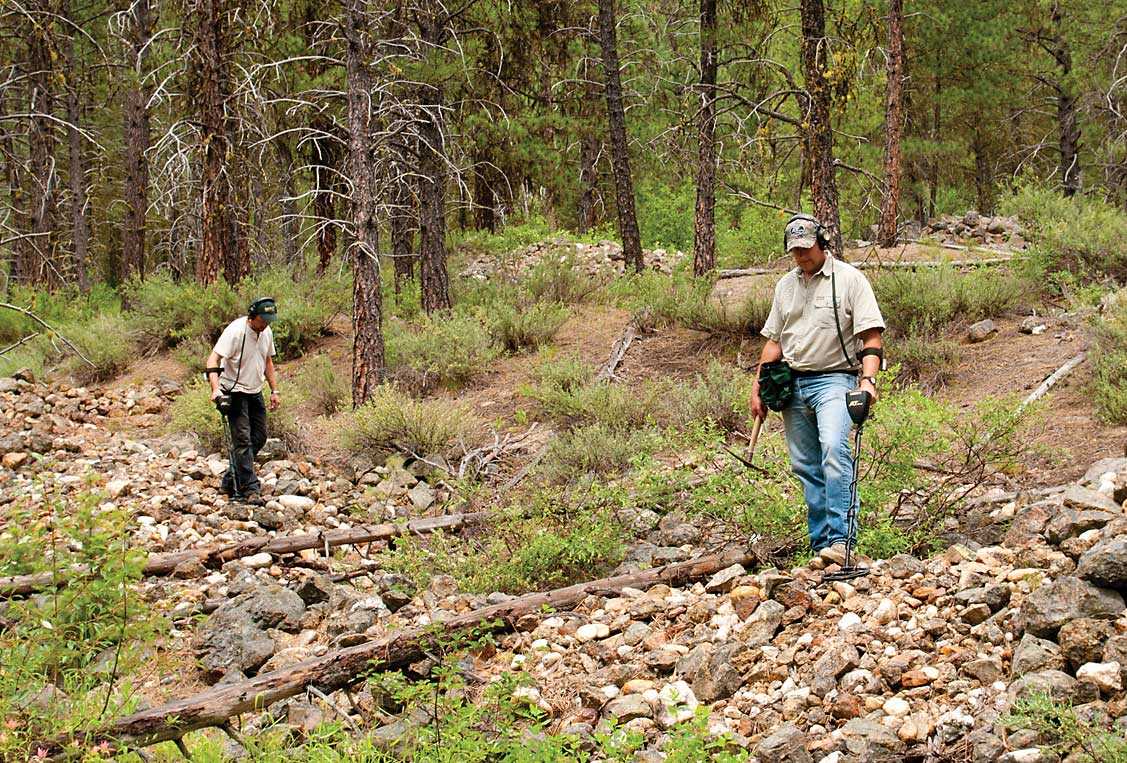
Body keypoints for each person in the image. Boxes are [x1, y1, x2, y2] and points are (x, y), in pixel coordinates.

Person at [750, 214, 885, 569]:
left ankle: (842, 542)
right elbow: (774, 342)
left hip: (836, 380)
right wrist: (759, 387)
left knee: (834, 454)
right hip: (792, 384)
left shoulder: (850, 280)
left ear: (822, 243)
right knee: (806, 466)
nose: (801, 256)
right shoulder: (785, 286)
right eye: (794, 251)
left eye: (806, 248)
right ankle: (821, 546)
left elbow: (871, 337)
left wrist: (868, 382)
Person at [205, 297, 281, 505]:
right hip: (234, 390)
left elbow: (267, 360)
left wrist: (275, 390)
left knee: (260, 436)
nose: (266, 324)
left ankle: (230, 479)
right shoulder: (235, 331)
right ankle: (251, 489)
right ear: (252, 316)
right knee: (243, 440)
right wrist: (215, 390)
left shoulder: (266, 332)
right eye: (262, 320)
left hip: (255, 390)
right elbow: (213, 360)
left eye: (269, 320)